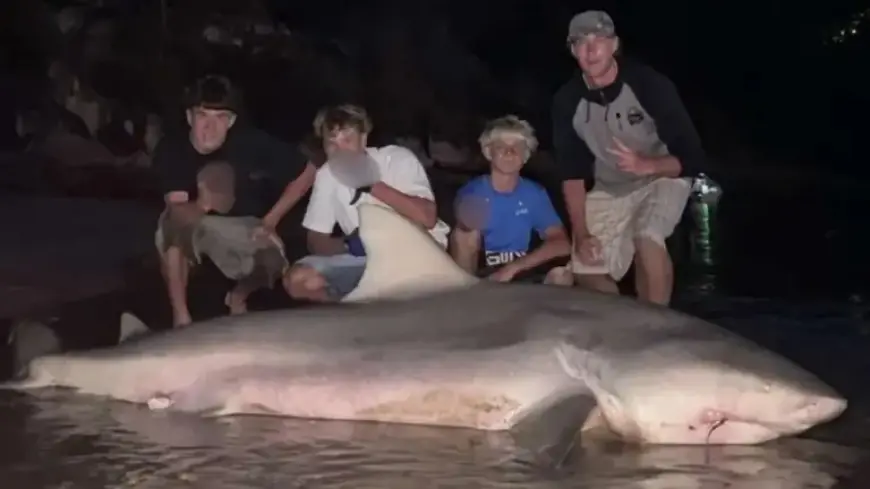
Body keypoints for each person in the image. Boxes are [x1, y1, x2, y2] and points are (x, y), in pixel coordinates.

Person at [552, 10, 706, 305]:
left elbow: (694, 158)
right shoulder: (566, 101)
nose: (591, 50)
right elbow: (572, 173)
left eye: (599, 40)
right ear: (573, 51)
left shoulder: (649, 85)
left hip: (661, 177)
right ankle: (621, 323)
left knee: (647, 235)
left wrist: (648, 165)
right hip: (609, 186)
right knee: (586, 267)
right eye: (581, 42)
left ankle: (656, 321)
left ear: (614, 45)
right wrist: (581, 233)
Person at [153, 75, 316, 326]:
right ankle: (181, 316)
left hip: (244, 225)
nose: (210, 127)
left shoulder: (251, 142)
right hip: (198, 224)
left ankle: (238, 297)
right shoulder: (171, 148)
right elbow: (177, 210)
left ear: (231, 121)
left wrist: (270, 221)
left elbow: (308, 172)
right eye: (203, 115)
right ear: (189, 117)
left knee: (273, 262)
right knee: (170, 225)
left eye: (221, 117)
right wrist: (205, 203)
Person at [283, 104, 450, 302]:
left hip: (417, 254)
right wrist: (348, 246)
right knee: (299, 279)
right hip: (366, 261)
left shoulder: (396, 158)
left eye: (347, 140)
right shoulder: (327, 174)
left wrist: (371, 185)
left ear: (363, 138)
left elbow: (427, 218)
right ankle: (353, 313)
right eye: (332, 143)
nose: (340, 150)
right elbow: (315, 239)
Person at [451, 116, 572, 285]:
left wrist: (514, 268)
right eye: (501, 146)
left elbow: (562, 243)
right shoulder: (473, 191)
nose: (509, 152)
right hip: (483, 275)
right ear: (488, 152)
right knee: (464, 234)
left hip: (522, 271)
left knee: (562, 275)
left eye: (517, 147)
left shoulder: (534, 193)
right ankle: (467, 291)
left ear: (525, 156)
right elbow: (463, 233)